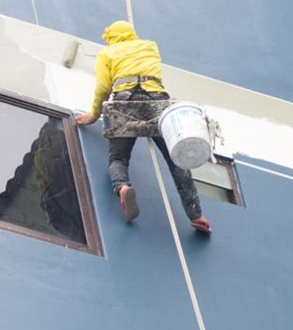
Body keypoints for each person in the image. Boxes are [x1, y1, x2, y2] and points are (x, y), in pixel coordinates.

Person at [75, 21, 211, 234]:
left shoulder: (106, 53)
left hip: (124, 104)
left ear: (110, 38)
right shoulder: (150, 46)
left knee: (118, 159)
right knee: (177, 160)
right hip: (156, 103)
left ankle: (123, 187)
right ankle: (197, 216)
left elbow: (103, 87)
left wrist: (94, 115)